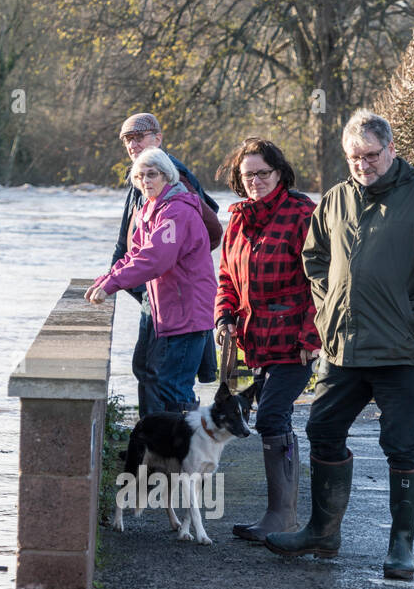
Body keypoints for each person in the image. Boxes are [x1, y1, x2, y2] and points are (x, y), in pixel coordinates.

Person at [265, 108, 414, 580]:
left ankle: (401, 548)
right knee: (322, 430)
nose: (363, 165)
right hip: (343, 349)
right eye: (354, 157)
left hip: (401, 352)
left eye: (371, 155)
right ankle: (322, 532)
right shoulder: (335, 199)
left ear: (391, 149)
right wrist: (327, 307)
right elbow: (313, 258)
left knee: (401, 445)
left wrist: (412, 324)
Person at [213, 137, 319, 542]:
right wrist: (223, 313)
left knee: (272, 415)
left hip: (295, 338)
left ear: (280, 173)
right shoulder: (238, 219)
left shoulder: (302, 213)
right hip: (251, 340)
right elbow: (226, 276)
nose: (255, 181)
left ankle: (282, 517)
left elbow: (322, 281)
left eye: (263, 173)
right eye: (248, 175)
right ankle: (282, 515)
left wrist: (312, 333)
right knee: (271, 418)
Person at [86, 148, 216, 411]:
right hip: (171, 313)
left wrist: (112, 285)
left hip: (187, 314)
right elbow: (134, 254)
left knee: (174, 389)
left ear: (167, 176)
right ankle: (168, 449)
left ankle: (185, 451)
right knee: (166, 385)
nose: (145, 181)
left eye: (152, 174)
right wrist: (105, 278)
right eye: (140, 176)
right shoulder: (150, 209)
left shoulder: (176, 212)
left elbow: (155, 260)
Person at [111, 112, 222, 416]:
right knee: (148, 371)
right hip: (159, 294)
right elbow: (136, 247)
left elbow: (161, 253)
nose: (133, 144)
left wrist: (183, 262)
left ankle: (174, 452)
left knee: (168, 380)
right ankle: (153, 441)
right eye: (127, 139)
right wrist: (115, 275)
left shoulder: (173, 179)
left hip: (178, 299)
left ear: (158, 139)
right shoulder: (145, 178)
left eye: (140, 136)